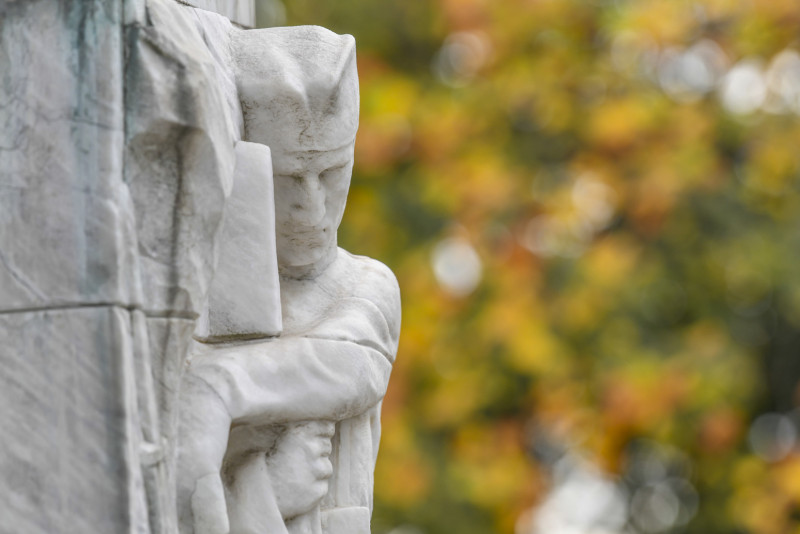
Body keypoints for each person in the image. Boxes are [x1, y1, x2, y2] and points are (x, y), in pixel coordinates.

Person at [176, 25, 401, 534]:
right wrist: (266, 493)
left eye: (332, 173)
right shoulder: (194, 290)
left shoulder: (364, 286)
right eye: (288, 179)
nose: (312, 208)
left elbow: (347, 368)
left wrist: (214, 388)